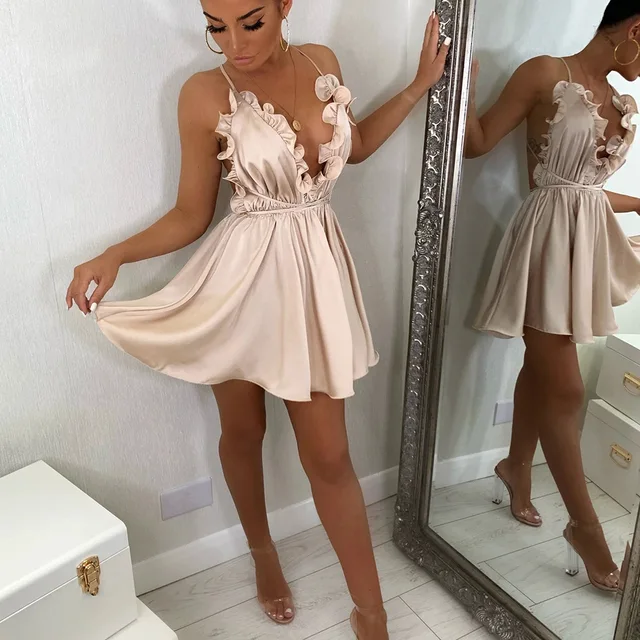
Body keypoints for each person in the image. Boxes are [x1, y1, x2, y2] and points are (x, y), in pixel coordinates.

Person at [65, 2, 450, 637]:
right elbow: (191, 215)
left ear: (284, 6)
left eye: (250, 22)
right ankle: (262, 551)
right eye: (215, 26)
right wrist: (115, 255)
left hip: (314, 280)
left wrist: (416, 88)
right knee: (243, 430)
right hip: (241, 282)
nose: (234, 44)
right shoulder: (202, 93)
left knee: (330, 456)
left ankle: (371, 612)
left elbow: (352, 151)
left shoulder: (322, 63)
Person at [466, 0, 640, 593]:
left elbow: (587, 189)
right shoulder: (546, 73)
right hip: (543, 245)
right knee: (565, 388)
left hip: (583, 248)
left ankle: (516, 466)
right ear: (636, 30)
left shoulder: (619, 101)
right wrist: (459, 89)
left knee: (542, 371)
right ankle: (586, 531)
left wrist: (639, 203)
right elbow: (478, 142)